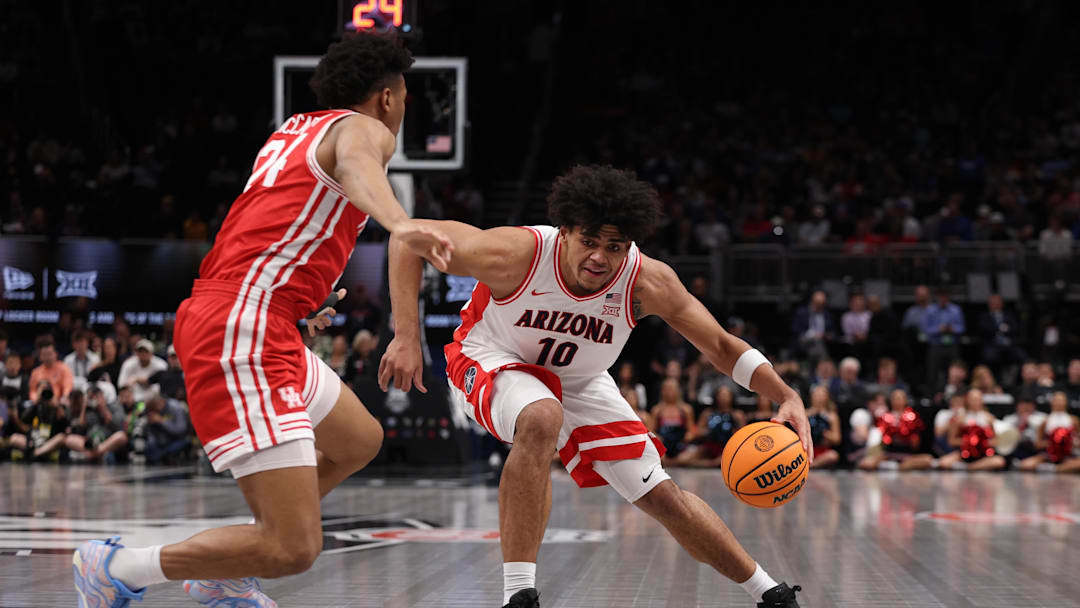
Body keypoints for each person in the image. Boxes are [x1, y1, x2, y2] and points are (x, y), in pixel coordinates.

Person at [74, 32, 454, 608]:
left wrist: (300, 297)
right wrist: (400, 223)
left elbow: (272, 226)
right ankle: (119, 567)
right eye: (404, 96)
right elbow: (357, 163)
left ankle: (230, 565)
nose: (402, 108)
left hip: (257, 314)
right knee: (294, 549)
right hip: (243, 326)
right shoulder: (364, 130)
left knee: (359, 439)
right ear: (387, 97)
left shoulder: (292, 130)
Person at [381, 164, 809, 608]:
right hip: (490, 357)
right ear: (564, 231)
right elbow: (406, 236)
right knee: (542, 415)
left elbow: (720, 345)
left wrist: (786, 395)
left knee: (662, 496)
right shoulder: (516, 254)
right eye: (589, 241)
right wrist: (407, 336)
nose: (599, 258)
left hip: (581, 381)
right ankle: (518, 597)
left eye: (614, 246)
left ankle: (770, 594)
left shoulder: (648, 281)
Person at [857, 389, 934, 471]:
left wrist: (906, 434)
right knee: (866, 463)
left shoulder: (912, 417)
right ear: (891, 401)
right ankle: (896, 466)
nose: (897, 401)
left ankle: (900, 466)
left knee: (928, 460)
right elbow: (880, 441)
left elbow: (915, 444)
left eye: (900, 398)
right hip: (889, 454)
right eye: (895, 399)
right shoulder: (885, 417)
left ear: (905, 400)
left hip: (906, 455)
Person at [674, 385, 745, 468]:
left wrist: (731, 432)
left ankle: (714, 463)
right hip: (709, 446)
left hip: (728, 448)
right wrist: (709, 431)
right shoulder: (707, 413)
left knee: (730, 459)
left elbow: (743, 436)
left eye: (726, 395)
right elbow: (698, 432)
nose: (723, 398)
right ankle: (711, 463)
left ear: (731, 397)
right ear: (716, 396)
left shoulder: (737, 415)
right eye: (721, 395)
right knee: (683, 459)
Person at [936, 389, 1006, 471]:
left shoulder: (989, 418)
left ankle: (969, 467)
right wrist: (968, 442)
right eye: (973, 399)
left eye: (978, 399)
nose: (975, 402)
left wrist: (983, 443)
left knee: (999, 461)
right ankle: (970, 466)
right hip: (964, 453)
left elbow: (996, 440)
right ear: (967, 400)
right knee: (944, 463)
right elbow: (951, 441)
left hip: (983, 454)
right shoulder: (959, 418)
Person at [1016, 391, 1080, 473]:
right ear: (1052, 402)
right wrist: (1052, 443)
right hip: (1050, 455)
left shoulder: (1074, 420)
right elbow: (1037, 444)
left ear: (1066, 402)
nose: (1059, 403)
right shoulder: (1045, 421)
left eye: (1061, 400)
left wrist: (1070, 443)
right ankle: (1061, 468)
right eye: (1056, 400)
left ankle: (1055, 469)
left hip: (1068, 455)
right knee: (1026, 465)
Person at [922, 287, 965, 389]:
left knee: (955, 370)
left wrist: (952, 329)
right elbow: (926, 329)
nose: (943, 298)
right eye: (941, 296)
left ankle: (955, 393)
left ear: (948, 297)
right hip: (936, 344)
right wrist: (938, 329)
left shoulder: (956, 310)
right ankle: (931, 396)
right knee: (932, 372)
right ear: (937, 297)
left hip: (952, 344)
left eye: (945, 296)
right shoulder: (930, 310)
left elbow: (961, 328)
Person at [649, 378, 697, 464]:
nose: (670, 391)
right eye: (667, 389)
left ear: (678, 391)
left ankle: (673, 461)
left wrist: (688, 436)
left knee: (694, 452)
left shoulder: (686, 409)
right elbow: (651, 430)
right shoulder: (657, 410)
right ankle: (669, 461)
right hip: (663, 445)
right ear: (662, 391)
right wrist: (657, 438)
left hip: (680, 445)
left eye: (672, 389)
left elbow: (692, 429)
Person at [117, 339, 168, 403]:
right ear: (136, 353)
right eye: (140, 351)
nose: (143, 354)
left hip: (153, 397)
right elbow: (121, 384)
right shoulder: (128, 363)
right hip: (134, 396)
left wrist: (137, 379)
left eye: (146, 351)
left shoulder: (160, 365)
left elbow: (164, 385)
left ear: (151, 353)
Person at [790, 290, 834, 363]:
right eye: (817, 303)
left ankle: (817, 366)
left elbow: (832, 331)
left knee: (818, 343)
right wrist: (812, 335)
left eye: (821, 304)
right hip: (804, 339)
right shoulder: (802, 312)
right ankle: (823, 363)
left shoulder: (827, 315)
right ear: (812, 301)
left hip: (822, 341)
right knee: (815, 342)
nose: (819, 306)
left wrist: (826, 335)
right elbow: (795, 329)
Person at [28, 336, 74, 405]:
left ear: (55, 354)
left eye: (50, 354)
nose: (48, 357)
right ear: (40, 357)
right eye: (45, 355)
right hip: (40, 404)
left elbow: (68, 387)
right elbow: (32, 391)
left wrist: (63, 398)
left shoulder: (64, 369)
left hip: (58, 403)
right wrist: (35, 399)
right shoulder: (35, 372)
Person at [805, 385, 841, 469]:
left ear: (827, 398)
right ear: (811, 397)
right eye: (816, 395)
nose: (819, 398)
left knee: (833, 455)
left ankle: (809, 466)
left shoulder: (831, 416)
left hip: (822, 451)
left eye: (822, 395)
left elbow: (837, 438)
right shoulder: (805, 414)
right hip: (807, 449)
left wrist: (823, 433)